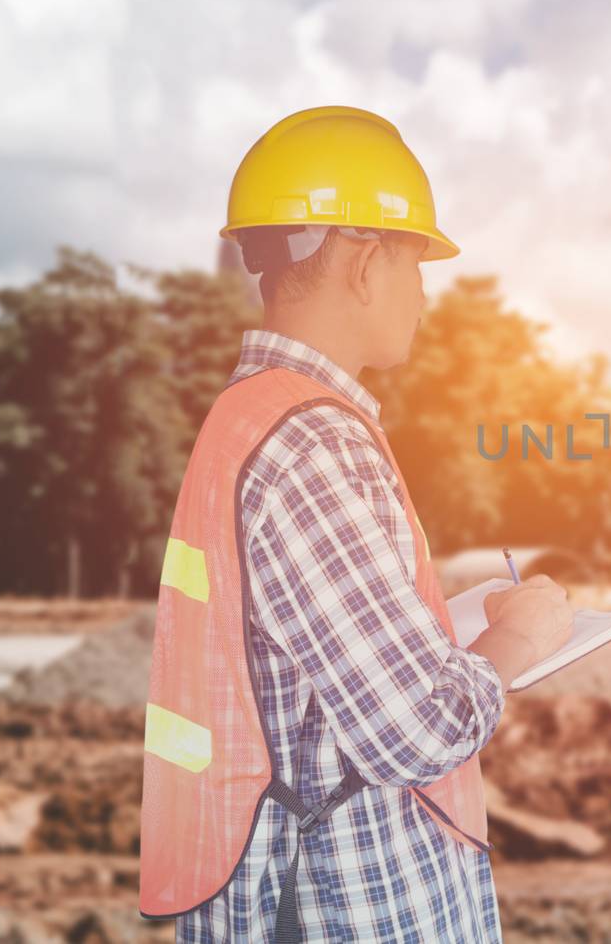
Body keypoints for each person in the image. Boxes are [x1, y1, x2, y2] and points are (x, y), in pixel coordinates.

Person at [138, 105, 574, 942]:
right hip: (337, 903)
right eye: (416, 264)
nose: (423, 293)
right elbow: (417, 729)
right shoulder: (310, 444)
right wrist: (524, 636)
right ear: (367, 264)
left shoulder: (255, 417)